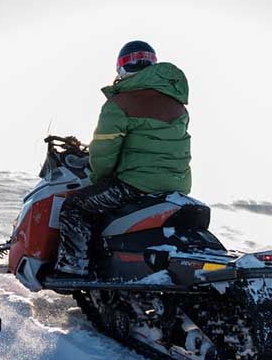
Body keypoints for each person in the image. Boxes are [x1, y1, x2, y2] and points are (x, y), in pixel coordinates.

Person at [54, 40, 192, 277]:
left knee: (75, 206)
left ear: (121, 69)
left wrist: (99, 177)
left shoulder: (120, 103)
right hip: (177, 186)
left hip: (136, 185)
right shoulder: (177, 104)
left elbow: (104, 153)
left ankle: (72, 267)